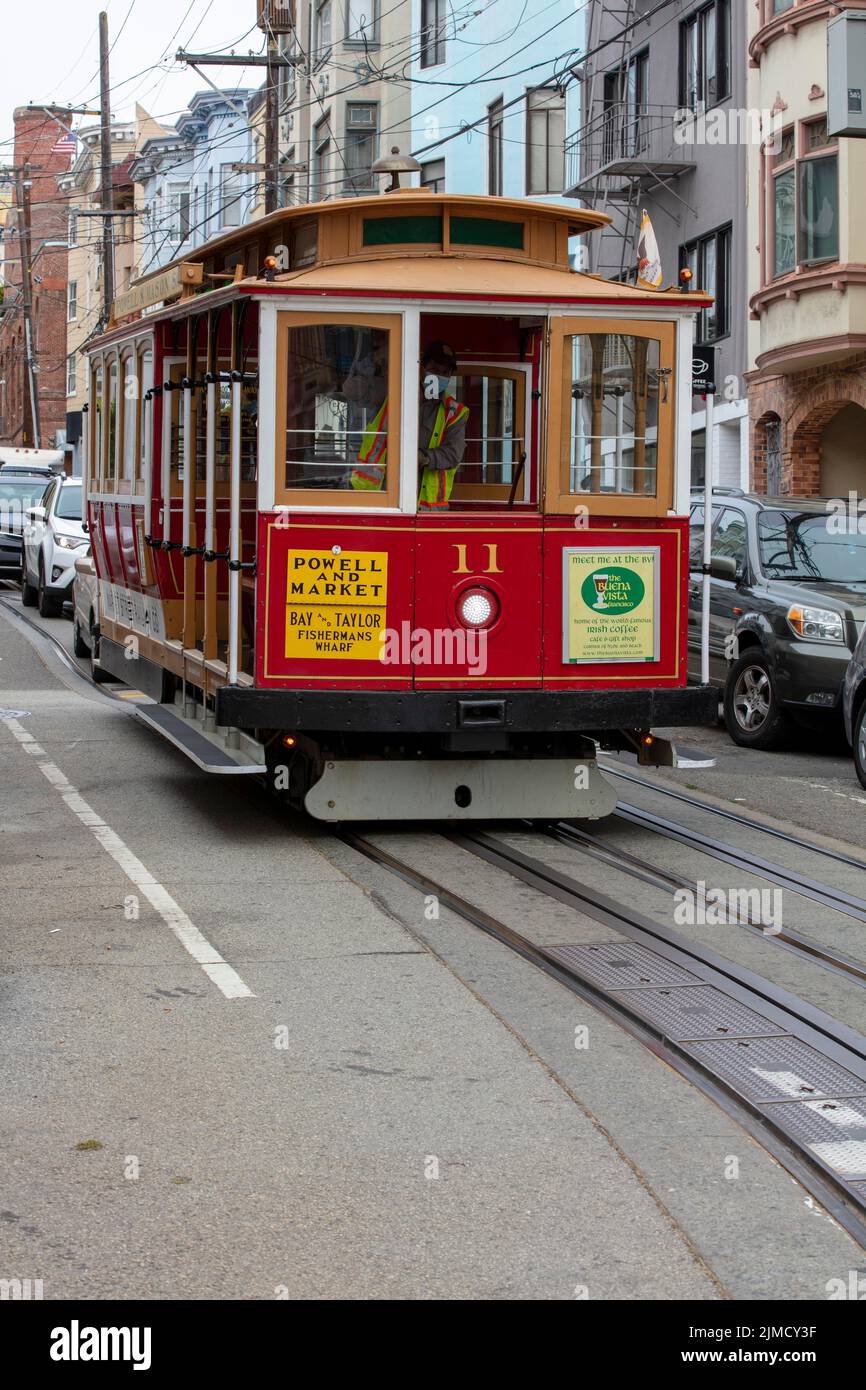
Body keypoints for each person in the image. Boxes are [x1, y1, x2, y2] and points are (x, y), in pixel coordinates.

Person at [347, 341, 469, 509]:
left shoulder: (454, 412)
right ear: (422, 368)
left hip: (426, 508)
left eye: (445, 372)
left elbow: (453, 454)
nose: (439, 376)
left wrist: (423, 457)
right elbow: (350, 390)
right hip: (378, 496)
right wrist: (372, 361)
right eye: (434, 369)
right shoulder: (393, 391)